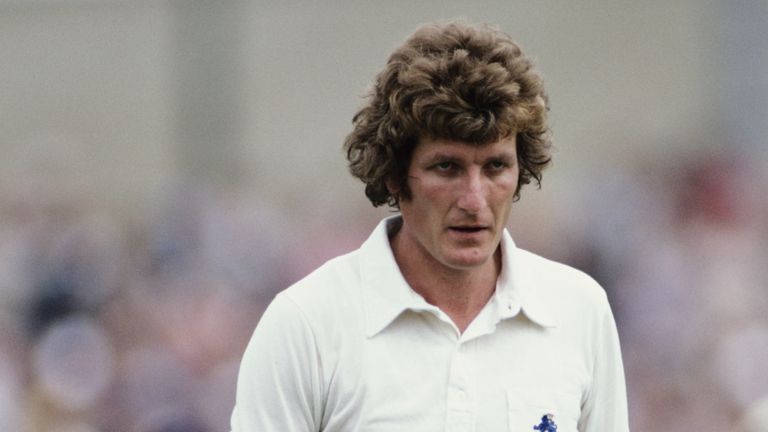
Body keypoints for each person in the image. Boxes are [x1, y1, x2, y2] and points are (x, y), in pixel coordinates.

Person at [230, 20, 629, 432]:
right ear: (394, 175)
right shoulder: (306, 325)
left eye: (495, 166)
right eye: (447, 167)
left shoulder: (579, 311)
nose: (474, 201)